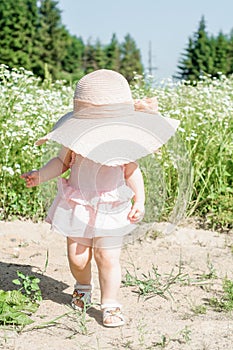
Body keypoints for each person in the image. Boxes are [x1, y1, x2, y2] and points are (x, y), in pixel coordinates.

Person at [21, 69, 179, 327]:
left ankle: (110, 304)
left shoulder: (122, 141)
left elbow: (132, 171)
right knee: (78, 256)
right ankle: (83, 286)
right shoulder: (76, 138)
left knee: (107, 257)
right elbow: (62, 162)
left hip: (111, 206)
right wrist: (40, 175)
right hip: (78, 204)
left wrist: (139, 200)